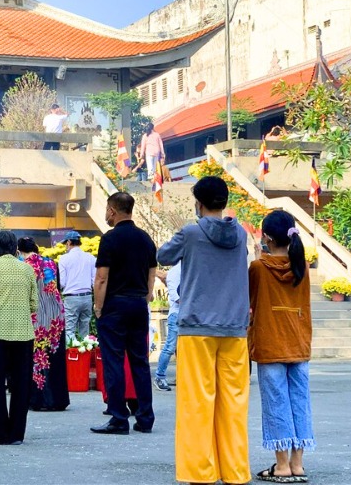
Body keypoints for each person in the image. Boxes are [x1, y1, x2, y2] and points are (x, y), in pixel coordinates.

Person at [157, 176, 251, 485]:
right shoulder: (240, 234)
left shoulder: (191, 232)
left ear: (199, 202)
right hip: (235, 328)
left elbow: (163, 256)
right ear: (224, 202)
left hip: (197, 326)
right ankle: (235, 472)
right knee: (234, 403)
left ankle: (201, 472)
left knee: (197, 401)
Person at [249, 210, 313, 484]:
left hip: (270, 341)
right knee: (300, 401)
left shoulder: (259, 267)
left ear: (267, 237)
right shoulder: (302, 266)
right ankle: (298, 464)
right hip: (298, 341)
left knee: (276, 403)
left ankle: (282, 465)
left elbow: (250, 302)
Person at [90, 192, 156, 436]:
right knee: (140, 362)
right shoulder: (145, 239)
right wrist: (146, 297)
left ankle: (119, 417)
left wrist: (99, 307)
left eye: (107, 210)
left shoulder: (110, 239)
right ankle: (145, 418)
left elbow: (101, 278)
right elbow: (152, 274)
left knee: (114, 361)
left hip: (115, 305)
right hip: (138, 303)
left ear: (112, 211)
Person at [0, 230, 38, 445]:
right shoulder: (26, 269)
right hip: (23, 333)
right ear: (15, 247)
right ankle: (16, 434)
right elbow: (34, 304)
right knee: (21, 384)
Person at [17, 237, 69, 412]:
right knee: (55, 357)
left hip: (37, 316)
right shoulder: (51, 263)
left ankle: (40, 400)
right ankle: (58, 399)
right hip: (56, 315)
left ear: (19, 251)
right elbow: (57, 287)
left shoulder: (24, 265)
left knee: (38, 359)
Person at [57, 230, 96, 342]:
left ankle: (72, 358)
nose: (65, 246)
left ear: (69, 242)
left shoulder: (64, 259)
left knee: (70, 330)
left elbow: (62, 282)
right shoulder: (90, 258)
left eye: (65, 244)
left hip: (71, 298)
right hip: (87, 297)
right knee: (85, 330)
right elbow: (94, 281)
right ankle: (85, 356)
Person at [153, 262, 181, 392]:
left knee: (182, 349)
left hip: (183, 314)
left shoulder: (185, 268)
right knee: (170, 347)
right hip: (177, 314)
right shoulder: (176, 271)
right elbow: (176, 297)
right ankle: (159, 376)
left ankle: (181, 376)